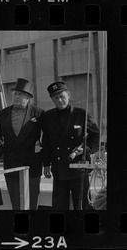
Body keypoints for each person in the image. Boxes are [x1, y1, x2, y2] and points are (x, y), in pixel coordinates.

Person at [41, 81, 100, 210]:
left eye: (62, 96)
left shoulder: (81, 114)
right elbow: (46, 142)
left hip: (80, 166)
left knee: (82, 204)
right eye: (56, 98)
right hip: (58, 167)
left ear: (68, 95)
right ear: (52, 99)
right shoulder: (48, 117)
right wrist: (46, 164)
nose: (60, 100)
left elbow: (96, 135)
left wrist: (86, 149)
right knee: (59, 204)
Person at [0, 78, 44, 210]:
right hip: (11, 164)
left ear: (28, 97)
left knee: (32, 204)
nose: (16, 96)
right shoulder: (3, 113)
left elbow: (47, 137)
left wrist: (43, 154)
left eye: (20, 94)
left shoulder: (39, 113)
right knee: (16, 204)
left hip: (32, 166)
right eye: (15, 93)